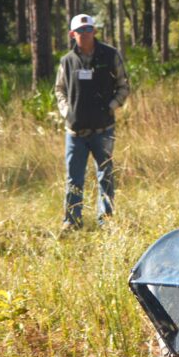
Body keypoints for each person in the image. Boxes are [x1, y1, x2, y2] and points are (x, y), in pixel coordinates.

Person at [54, 13, 130, 229]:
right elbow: (59, 89)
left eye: (89, 30)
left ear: (94, 32)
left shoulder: (110, 55)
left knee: (105, 175)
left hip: (103, 129)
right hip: (75, 132)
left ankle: (105, 221)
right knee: (73, 178)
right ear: (72, 34)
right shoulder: (67, 61)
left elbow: (124, 85)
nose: (85, 35)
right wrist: (66, 111)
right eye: (81, 31)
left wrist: (111, 107)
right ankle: (72, 221)